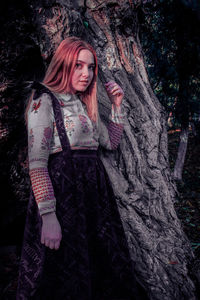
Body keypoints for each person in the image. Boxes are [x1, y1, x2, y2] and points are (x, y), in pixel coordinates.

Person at [16, 36, 148, 300]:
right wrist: (49, 216)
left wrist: (117, 106)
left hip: (93, 200)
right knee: (63, 275)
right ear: (64, 63)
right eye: (78, 65)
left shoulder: (82, 105)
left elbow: (110, 142)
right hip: (63, 201)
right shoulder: (43, 101)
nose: (86, 74)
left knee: (101, 269)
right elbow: (38, 165)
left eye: (90, 68)